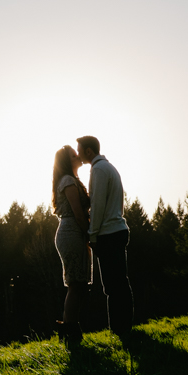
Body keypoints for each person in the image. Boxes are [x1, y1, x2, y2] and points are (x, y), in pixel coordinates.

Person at [76, 135, 134, 336]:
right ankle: (123, 326)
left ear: (89, 151)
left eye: (79, 150)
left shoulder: (99, 170)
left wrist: (93, 236)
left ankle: (119, 329)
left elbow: (98, 205)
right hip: (116, 230)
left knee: (113, 285)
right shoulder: (109, 168)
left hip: (108, 234)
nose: (77, 154)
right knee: (119, 282)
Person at [52, 144, 92, 343]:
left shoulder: (73, 180)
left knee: (77, 284)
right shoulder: (68, 180)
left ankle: (69, 329)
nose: (78, 156)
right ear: (67, 161)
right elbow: (77, 211)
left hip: (73, 232)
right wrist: (89, 233)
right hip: (71, 233)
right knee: (75, 284)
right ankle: (70, 330)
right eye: (73, 154)